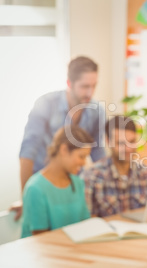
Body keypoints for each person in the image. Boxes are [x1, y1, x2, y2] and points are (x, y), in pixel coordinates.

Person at [12, 56, 106, 220]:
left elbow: (98, 154)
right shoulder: (46, 104)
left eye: (94, 86)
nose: (90, 93)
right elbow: (28, 152)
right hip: (43, 185)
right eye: (85, 87)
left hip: (73, 185)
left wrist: (101, 195)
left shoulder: (96, 110)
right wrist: (27, 198)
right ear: (69, 83)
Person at [21, 125, 92, 238]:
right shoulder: (35, 188)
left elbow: (85, 224)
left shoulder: (77, 183)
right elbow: (42, 239)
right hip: (42, 252)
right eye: (81, 156)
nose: (84, 163)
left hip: (73, 249)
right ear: (63, 149)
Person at [81, 116, 147, 217]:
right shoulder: (92, 177)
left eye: (131, 142)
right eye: (121, 143)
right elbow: (88, 222)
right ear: (108, 141)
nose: (128, 149)